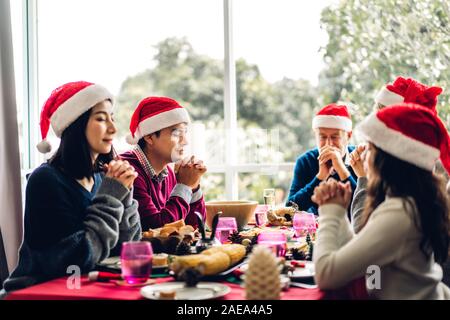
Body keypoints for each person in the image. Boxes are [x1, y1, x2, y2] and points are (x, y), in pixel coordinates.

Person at [1, 81, 141, 294]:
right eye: (101, 118)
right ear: (76, 124)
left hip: (83, 288)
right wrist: (112, 197)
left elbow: (127, 248)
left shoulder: (102, 178)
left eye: (112, 118)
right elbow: (74, 259)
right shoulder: (45, 179)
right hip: (37, 293)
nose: (113, 128)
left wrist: (125, 194)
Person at [312, 103, 450, 299]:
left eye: (369, 149)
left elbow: (326, 275)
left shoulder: (400, 213)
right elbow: (364, 254)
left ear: (386, 159)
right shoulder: (408, 203)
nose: (364, 157)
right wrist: (339, 211)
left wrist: (328, 212)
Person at [350, 77, 443, 233]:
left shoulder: (409, 184)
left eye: (381, 122)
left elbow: (362, 233)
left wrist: (365, 179)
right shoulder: (415, 168)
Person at [120, 96, 207, 230]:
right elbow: (157, 229)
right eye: (177, 133)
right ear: (149, 137)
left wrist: (193, 186)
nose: (185, 141)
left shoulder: (168, 172)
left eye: (185, 133)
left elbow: (194, 226)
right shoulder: (127, 170)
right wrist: (184, 185)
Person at [287, 103, 357, 216]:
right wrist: (320, 177)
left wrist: (342, 170)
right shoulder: (305, 161)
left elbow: (366, 206)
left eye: (335, 137)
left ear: (348, 136)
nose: (328, 144)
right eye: (322, 137)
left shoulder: (361, 158)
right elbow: (289, 210)